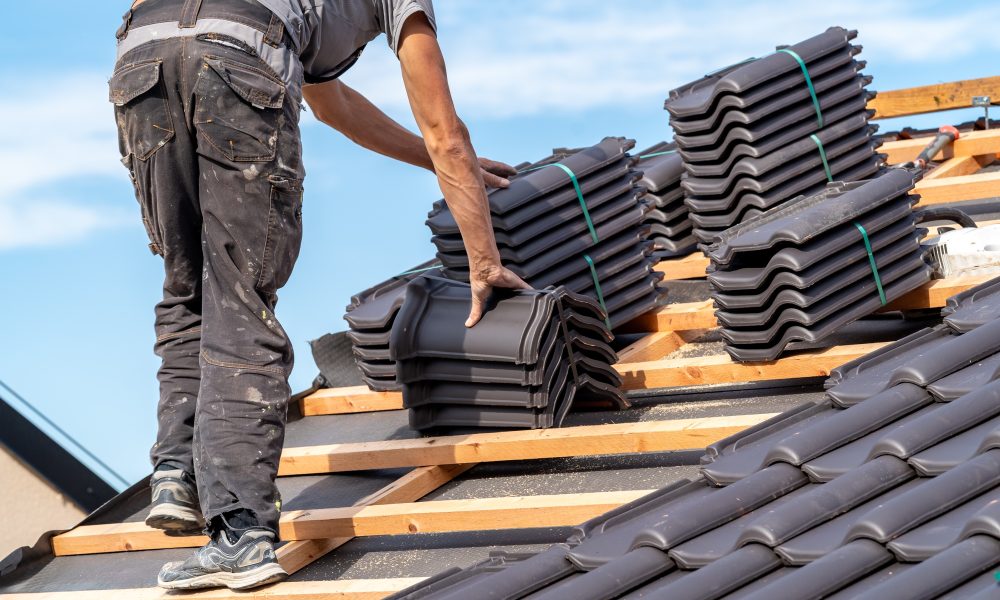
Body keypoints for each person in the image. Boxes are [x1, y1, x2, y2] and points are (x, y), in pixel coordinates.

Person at [109, 0, 528, 590]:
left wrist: (438, 163)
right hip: (239, 55)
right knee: (240, 294)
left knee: (189, 282)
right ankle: (241, 534)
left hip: (142, 56)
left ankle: (178, 472)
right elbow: (444, 129)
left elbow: (331, 104)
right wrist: (483, 259)